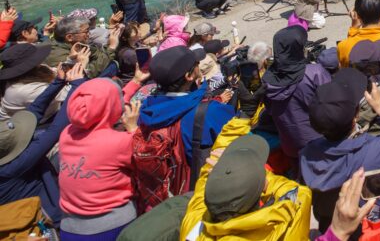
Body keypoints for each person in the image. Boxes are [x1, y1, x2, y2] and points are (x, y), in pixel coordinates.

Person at [300, 69, 380, 224]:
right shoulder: (374, 150)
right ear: (356, 116)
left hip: (329, 224)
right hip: (365, 226)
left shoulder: (306, 154)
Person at [179, 118, 312, 241]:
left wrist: (228, 166)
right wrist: (261, 175)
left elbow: (204, 183)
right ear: (260, 190)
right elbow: (300, 194)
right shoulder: (282, 227)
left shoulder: (193, 227)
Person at [136, 47, 236, 207]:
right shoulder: (209, 111)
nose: (199, 66)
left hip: (165, 195)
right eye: (196, 64)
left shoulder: (146, 109)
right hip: (198, 194)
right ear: (189, 76)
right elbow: (240, 142)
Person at [0, 60, 87, 226]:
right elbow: (56, 129)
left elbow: (33, 112)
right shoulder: (14, 166)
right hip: (44, 215)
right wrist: (77, 86)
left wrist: (58, 82)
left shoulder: (7, 152)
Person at [58, 77, 142, 240]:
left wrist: (135, 82)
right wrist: (133, 129)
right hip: (112, 227)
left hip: (69, 228)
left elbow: (101, 103)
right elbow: (146, 156)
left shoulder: (67, 133)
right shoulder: (119, 142)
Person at [263, 25, 330, 161]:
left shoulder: (267, 78)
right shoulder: (314, 73)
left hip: (291, 147)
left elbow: (270, 110)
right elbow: (332, 105)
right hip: (321, 143)